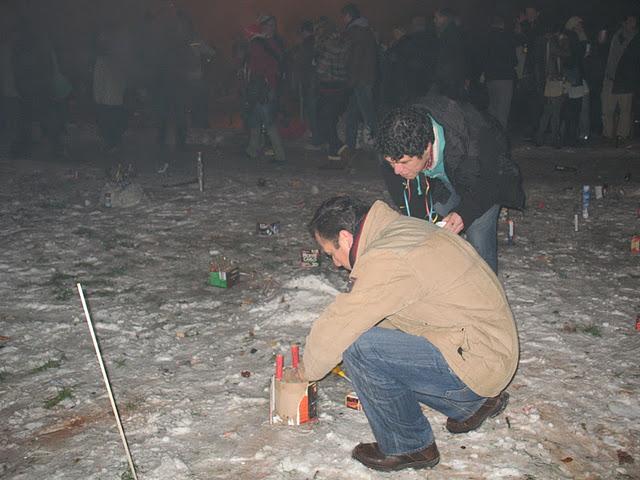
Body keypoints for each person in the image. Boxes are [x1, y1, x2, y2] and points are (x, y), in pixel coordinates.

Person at [297, 195, 519, 471]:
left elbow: (342, 323)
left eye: (331, 253)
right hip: (487, 347)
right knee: (371, 341)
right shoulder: (401, 231)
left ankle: (408, 445)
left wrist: (304, 372)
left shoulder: (389, 257)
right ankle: (473, 405)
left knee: (359, 347)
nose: (336, 264)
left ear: (344, 237)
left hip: (478, 355)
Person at [377, 94, 525, 273]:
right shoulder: (395, 144)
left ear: (427, 147)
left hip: (481, 181)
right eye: (391, 163)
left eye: (404, 163)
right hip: (442, 181)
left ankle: (486, 290)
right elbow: (411, 205)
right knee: (431, 225)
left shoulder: (476, 138)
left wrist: (464, 214)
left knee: (478, 231)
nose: (396, 171)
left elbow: (494, 181)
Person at [244, 15, 287, 164]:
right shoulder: (269, 42)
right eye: (268, 25)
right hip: (265, 85)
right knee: (255, 118)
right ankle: (252, 150)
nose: (272, 27)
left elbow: (260, 65)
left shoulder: (263, 43)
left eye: (273, 25)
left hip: (265, 86)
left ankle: (280, 155)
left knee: (268, 121)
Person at [340, 3, 378, 155]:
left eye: (343, 16)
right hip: (366, 77)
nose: (342, 20)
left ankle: (382, 144)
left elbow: (354, 58)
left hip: (360, 79)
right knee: (353, 112)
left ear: (348, 16)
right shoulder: (366, 30)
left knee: (368, 114)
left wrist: (351, 80)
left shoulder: (355, 31)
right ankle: (350, 145)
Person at [602, 14, 640, 144]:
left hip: (626, 80)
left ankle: (621, 136)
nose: (632, 23)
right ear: (623, 23)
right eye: (630, 21)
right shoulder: (615, 35)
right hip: (610, 78)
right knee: (607, 109)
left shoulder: (636, 38)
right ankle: (607, 135)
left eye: (634, 21)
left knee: (625, 110)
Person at [482, 15, 517, 129]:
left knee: (492, 109)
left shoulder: (486, 37)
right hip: (505, 77)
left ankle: (492, 136)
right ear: (502, 25)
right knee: (503, 110)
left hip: (490, 77)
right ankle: (500, 139)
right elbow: (513, 59)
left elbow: (482, 57)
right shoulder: (507, 37)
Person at [433, 8, 468, 101]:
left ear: (444, 18)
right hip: (449, 79)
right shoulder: (447, 32)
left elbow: (454, 57)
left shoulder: (451, 33)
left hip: (450, 80)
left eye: (436, 17)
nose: (434, 20)